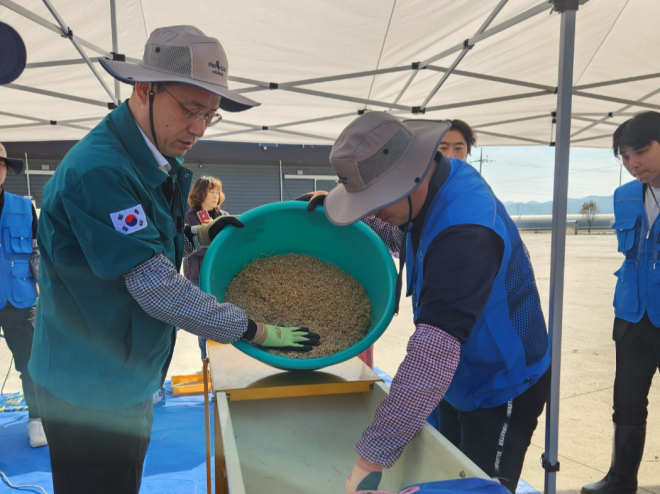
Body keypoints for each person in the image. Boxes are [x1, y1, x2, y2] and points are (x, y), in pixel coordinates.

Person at [28, 26, 319, 494]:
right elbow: (156, 287)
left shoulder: (150, 156)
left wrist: (199, 231)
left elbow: (142, 239)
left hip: (129, 370)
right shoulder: (102, 170)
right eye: (190, 110)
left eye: (211, 115)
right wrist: (256, 330)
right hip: (88, 384)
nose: (200, 129)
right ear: (144, 89)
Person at [304, 112, 550, 493]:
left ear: (409, 178)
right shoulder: (436, 180)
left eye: (374, 202)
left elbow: (432, 354)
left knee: (480, 486)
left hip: (503, 380)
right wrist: (351, 214)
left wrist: (370, 458)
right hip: (458, 376)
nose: (373, 211)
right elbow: (404, 231)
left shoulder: (467, 235)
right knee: (444, 470)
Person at [582, 111, 660, 494]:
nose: (633, 164)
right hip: (631, 314)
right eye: (626, 157)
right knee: (626, 401)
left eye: (641, 152)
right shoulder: (624, 194)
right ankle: (620, 479)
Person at [0, 144, 46, 448]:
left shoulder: (23, 205)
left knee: (30, 363)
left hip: (20, 296)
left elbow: (37, 250)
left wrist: (46, 288)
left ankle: (37, 419)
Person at [183, 175, 229, 360]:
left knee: (223, 320)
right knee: (204, 324)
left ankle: (224, 362)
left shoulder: (223, 216)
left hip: (219, 278)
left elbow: (228, 245)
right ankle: (206, 362)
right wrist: (210, 244)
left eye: (217, 192)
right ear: (200, 194)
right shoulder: (189, 217)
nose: (215, 196)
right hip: (196, 278)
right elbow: (190, 248)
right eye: (211, 192)